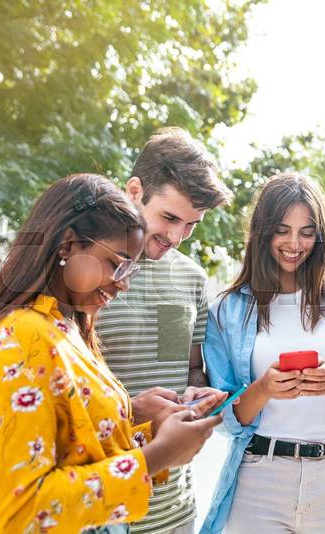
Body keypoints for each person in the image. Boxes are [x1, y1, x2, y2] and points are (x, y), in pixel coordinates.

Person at [0, 174, 224, 534]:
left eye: (130, 268)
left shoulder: (67, 326)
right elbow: (20, 512)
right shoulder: (23, 340)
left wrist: (136, 417)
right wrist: (159, 456)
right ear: (67, 244)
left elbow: (73, 442)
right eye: (117, 263)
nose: (123, 282)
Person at [201, 172, 325, 534]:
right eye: (282, 230)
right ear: (262, 232)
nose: (294, 243)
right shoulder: (228, 308)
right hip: (259, 476)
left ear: (320, 236)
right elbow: (224, 413)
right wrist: (263, 390)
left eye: (306, 232)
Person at [96, 127, 233, 534]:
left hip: (174, 512)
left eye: (191, 224)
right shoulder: (87, 269)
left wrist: (198, 391)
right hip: (101, 509)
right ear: (135, 190)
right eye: (169, 217)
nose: (176, 237)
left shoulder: (191, 277)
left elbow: (186, 367)